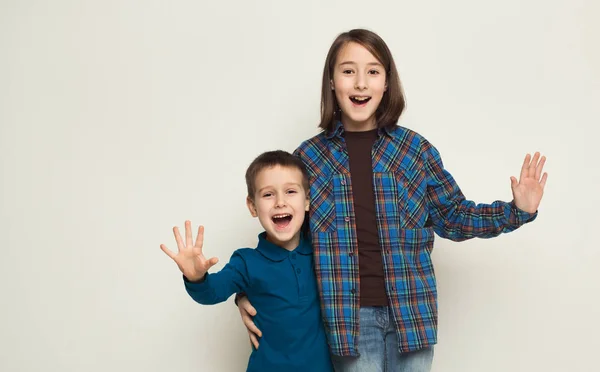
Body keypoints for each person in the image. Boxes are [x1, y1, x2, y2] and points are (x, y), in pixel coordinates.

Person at [236, 29, 548, 372]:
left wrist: (517, 211)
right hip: (346, 324)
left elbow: (454, 216)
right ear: (331, 82)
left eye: (372, 71)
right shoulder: (308, 159)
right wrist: (248, 292)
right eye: (348, 71)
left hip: (412, 316)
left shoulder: (414, 151)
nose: (360, 83)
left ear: (386, 83)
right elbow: (286, 239)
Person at [161, 150, 333, 372]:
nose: (280, 202)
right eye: (268, 194)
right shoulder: (246, 261)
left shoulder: (324, 254)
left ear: (308, 200)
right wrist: (196, 278)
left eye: (290, 191)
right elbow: (212, 292)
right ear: (252, 206)